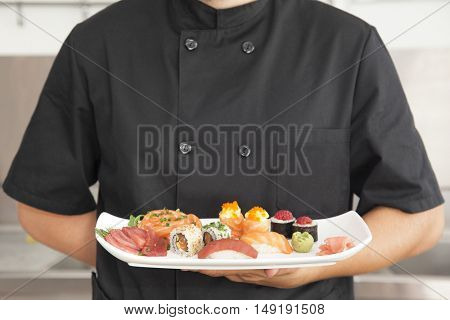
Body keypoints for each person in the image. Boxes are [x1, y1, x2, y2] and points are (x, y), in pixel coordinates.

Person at [3, 0, 445, 299]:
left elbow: (417, 218)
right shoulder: (98, 42)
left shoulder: (346, 44)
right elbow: (44, 207)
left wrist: (313, 267)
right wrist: (142, 256)